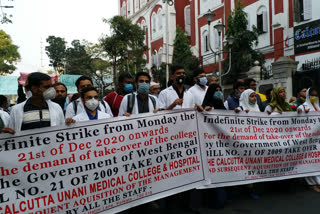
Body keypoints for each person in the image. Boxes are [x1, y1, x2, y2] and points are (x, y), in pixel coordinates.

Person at [297, 88, 320, 192]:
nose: (314, 97)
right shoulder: (302, 107)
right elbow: (297, 122)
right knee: (309, 161)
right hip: (308, 140)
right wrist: (301, 113)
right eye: (312, 95)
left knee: (317, 161)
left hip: (317, 139)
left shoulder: (317, 106)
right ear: (307, 96)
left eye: (316, 95)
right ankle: (312, 183)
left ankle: (318, 182)